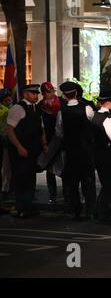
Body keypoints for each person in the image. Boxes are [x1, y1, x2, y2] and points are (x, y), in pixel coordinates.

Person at [56, 81, 96, 220]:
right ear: (76, 93)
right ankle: (90, 210)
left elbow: (59, 133)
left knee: (72, 184)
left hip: (70, 152)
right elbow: (94, 126)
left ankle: (75, 210)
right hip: (86, 151)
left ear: (64, 95)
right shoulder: (87, 109)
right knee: (88, 182)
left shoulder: (62, 112)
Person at [7, 85, 48, 218]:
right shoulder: (18, 108)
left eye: (36, 93)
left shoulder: (36, 109)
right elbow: (10, 130)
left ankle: (28, 206)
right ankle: (21, 208)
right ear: (25, 94)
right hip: (21, 150)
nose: (36, 96)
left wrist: (44, 144)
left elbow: (41, 129)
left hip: (33, 149)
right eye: (32, 93)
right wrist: (19, 147)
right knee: (21, 179)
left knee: (30, 178)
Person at [91, 90, 111, 224]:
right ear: (108, 102)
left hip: (97, 154)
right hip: (109, 155)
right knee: (109, 186)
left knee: (105, 184)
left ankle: (98, 212)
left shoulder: (95, 117)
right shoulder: (108, 120)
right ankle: (102, 214)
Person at [38, 82, 62, 205]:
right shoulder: (40, 106)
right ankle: (52, 196)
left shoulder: (61, 103)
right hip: (48, 141)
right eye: (48, 92)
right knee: (49, 170)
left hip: (61, 141)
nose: (51, 93)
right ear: (43, 94)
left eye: (52, 90)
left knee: (64, 168)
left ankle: (68, 195)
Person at [0, 89, 12, 197]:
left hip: (5, 140)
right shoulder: (5, 110)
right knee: (6, 167)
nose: (9, 100)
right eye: (7, 99)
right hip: (5, 141)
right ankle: (6, 189)